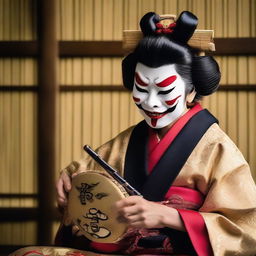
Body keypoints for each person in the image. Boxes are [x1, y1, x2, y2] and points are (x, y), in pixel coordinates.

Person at [55, 11, 256, 256]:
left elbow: (245, 229)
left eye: (164, 90)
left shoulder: (216, 148)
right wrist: (68, 184)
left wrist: (170, 216)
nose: (150, 102)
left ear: (191, 91)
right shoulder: (124, 142)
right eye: (141, 88)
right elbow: (83, 179)